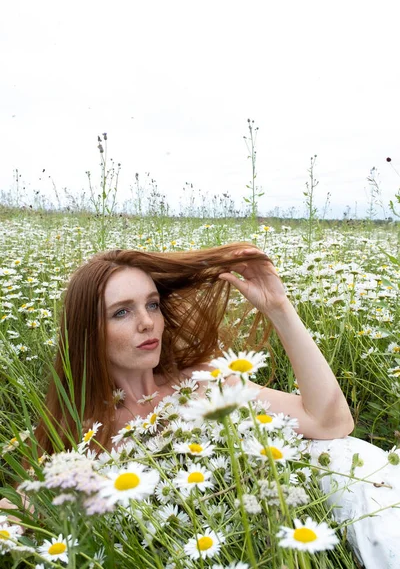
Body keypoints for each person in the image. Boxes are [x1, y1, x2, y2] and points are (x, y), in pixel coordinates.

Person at [1, 243, 399, 567]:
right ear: (88, 331)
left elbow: (329, 422)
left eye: (152, 304)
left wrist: (279, 309)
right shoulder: (84, 435)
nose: (147, 322)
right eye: (121, 312)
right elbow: (27, 510)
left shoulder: (203, 383)